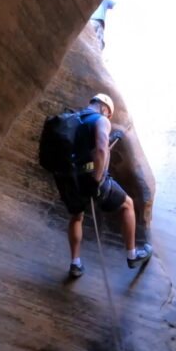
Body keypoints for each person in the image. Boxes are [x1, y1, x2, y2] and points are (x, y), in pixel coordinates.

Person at [54, 94, 153, 278]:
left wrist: (109, 141)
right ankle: (132, 255)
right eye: (108, 115)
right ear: (105, 109)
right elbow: (100, 149)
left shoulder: (73, 119)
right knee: (128, 205)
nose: (108, 119)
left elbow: (87, 149)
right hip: (90, 179)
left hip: (69, 179)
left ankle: (75, 264)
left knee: (77, 217)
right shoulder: (101, 120)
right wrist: (96, 180)